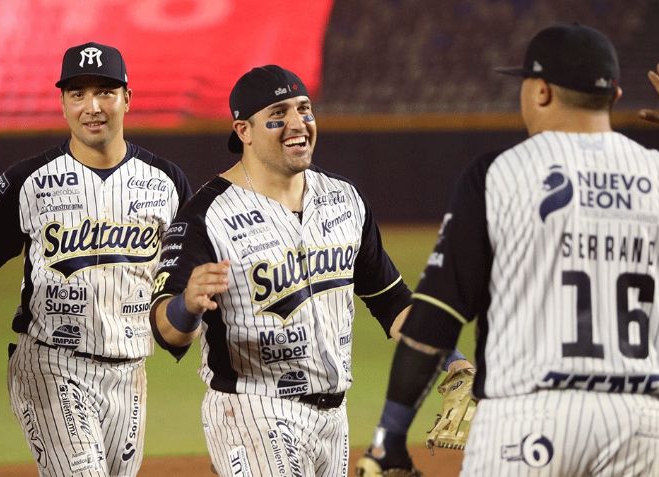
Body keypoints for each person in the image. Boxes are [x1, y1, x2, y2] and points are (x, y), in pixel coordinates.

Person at [357, 23, 659, 476]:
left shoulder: (499, 176)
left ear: (541, 92)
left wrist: (390, 435)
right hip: (636, 426)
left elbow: (435, 317)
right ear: (616, 95)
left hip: (526, 422)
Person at [148, 64, 471, 476]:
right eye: (278, 115)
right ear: (243, 130)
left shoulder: (344, 200)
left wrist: (454, 361)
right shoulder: (204, 216)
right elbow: (166, 331)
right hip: (254, 412)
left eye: (304, 109)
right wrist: (187, 306)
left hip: (333, 420)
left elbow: (391, 301)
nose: (298, 123)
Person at [0, 42, 192, 476]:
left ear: (127, 99)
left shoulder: (168, 181)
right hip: (52, 363)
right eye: (77, 93)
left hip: (132, 370)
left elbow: (187, 269)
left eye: (105, 92)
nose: (92, 106)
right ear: (62, 103)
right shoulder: (28, 181)